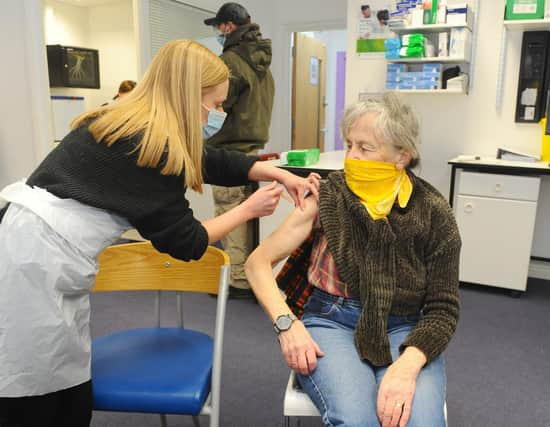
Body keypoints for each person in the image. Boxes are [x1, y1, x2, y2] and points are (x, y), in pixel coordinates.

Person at [0, 39, 318, 427]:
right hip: (33, 265)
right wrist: (247, 209)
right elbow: (188, 242)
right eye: (216, 105)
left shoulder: (128, 120)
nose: (217, 114)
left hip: (31, 245)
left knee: (62, 375)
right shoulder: (150, 146)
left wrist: (269, 170)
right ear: (189, 97)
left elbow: (205, 158)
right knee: (33, 392)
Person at [245, 93, 461, 427]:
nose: (351, 157)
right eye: (349, 145)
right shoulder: (328, 196)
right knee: (359, 421)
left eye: (365, 148)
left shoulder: (434, 212)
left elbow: (443, 309)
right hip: (332, 320)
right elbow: (257, 263)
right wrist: (287, 325)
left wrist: (407, 365)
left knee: (420, 422)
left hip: (404, 325)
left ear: (402, 155)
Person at [203, 2, 275, 299]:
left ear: (229, 26)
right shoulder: (262, 63)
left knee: (230, 214)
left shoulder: (231, 61)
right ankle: (248, 275)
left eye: (219, 27)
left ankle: (237, 281)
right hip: (253, 147)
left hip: (229, 149)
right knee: (246, 217)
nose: (218, 33)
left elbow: (218, 104)